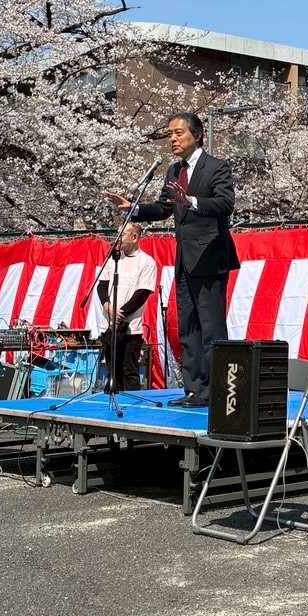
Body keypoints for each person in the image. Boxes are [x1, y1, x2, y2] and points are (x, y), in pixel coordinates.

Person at [105, 112, 238, 407]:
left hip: (210, 257)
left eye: (179, 133)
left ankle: (214, 392)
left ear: (197, 135)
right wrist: (134, 208)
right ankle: (193, 390)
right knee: (188, 327)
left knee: (211, 328)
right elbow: (164, 208)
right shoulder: (174, 171)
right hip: (184, 260)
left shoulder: (216, 167)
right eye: (170, 134)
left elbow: (225, 203)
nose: (173, 139)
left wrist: (190, 201)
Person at [96, 223, 157, 391]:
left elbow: (142, 293)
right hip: (109, 324)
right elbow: (102, 286)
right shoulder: (112, 260)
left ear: (135, 237)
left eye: (122, 234)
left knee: (129, 369)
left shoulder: (147, 262)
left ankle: (132, 404)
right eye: (117, 234)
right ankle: (113, 400)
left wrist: (120, 313)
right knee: (112, 370)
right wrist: (107, 306)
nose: (118, 238)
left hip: (130, 327)